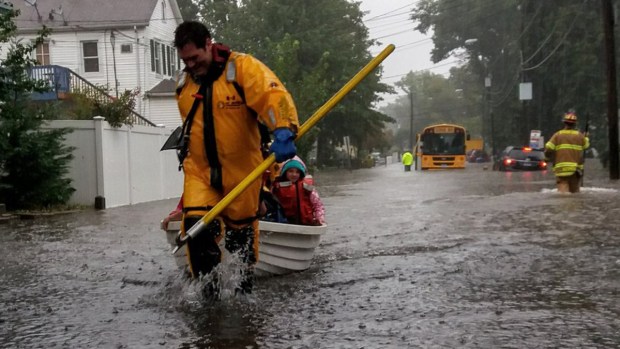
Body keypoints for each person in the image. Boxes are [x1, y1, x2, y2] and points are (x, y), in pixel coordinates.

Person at [173, 21, 299, 294]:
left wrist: (283, 130)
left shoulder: (242, 68)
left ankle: (243, 290)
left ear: (209, 43)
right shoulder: (183, 84)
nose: (191, 65)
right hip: (200, 172)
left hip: (242, 172)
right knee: (196, 227)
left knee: (241, 238)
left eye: (195, 58)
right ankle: (209, 297)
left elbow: (272, 94)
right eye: (186, 60)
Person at [272, 156, 326, 226]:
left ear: (301, 174)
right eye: (291, 171)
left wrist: (320, 219)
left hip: (307, 224)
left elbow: (318, 205)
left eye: (297, 172)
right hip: (284, 224)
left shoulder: (307, 187)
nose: (294, 174)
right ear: (285, 172)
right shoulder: (276, 187)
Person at [544, 111, 589, 193]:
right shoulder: (580, 136)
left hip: (562, 170)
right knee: (575, 193)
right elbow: (586, 146)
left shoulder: (557, 135)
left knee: (563, 195)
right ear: (575, 124)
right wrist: (586, 137)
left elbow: (548, 149)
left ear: (564, 123)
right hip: (576, 170)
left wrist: (546, 158)